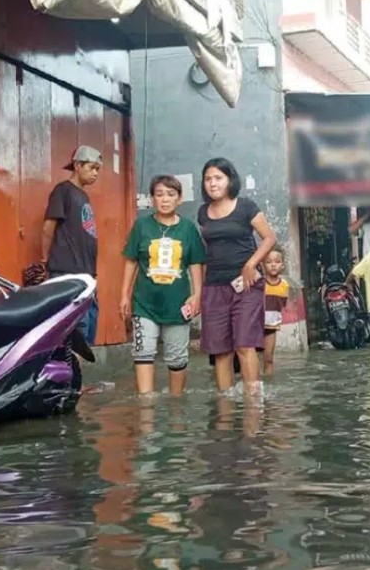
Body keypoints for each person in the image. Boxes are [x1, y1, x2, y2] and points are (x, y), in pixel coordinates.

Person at [120, 176, 205, 396]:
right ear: (152, 199)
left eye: (170, 194)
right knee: (143, 353)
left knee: (177, 358)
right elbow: (131, 261)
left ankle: (176, 410)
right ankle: (146, 409)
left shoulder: (188, 229)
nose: (164, 199)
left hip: (177, 305)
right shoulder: (141, 226)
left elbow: (196, 264)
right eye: (159, 194)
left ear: (179, 199)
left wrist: (197, 295)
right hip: (143, 304)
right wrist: (124, 295)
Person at [198, 157, 277, 393]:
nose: (212, 184)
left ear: (230, 180)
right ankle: (225, 408)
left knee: (244, 344)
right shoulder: (203, 212)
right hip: (214, 287)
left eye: (218, 178)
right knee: (220, 350)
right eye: (208, 179)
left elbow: (270, 238)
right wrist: (199, 291)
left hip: (246, 285)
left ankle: (253, 402)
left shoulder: (246, 206)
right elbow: (206, 251)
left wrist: (251, 264)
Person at [42, 145, 102, 345]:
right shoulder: (63, 191)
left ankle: (78, 373)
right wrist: (45, 260)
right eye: (92, 167)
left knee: (90, 324)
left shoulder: (83, 195)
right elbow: (48, 227)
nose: (95, 173)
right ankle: (69, 373)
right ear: (77, 165)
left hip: (87, 273)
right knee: (76, 328)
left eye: (97, 170)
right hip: (67, 271)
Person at [262, 248, 289, 376]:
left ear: (282, 265)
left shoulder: (284, 285)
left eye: (277, 261)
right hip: (255, 326)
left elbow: (283, 304)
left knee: (268, 358)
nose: (273, 265)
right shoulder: (260, 284)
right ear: (263, 265)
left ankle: (268, 381)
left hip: (272, 327)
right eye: (269, 262)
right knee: (254, 358)